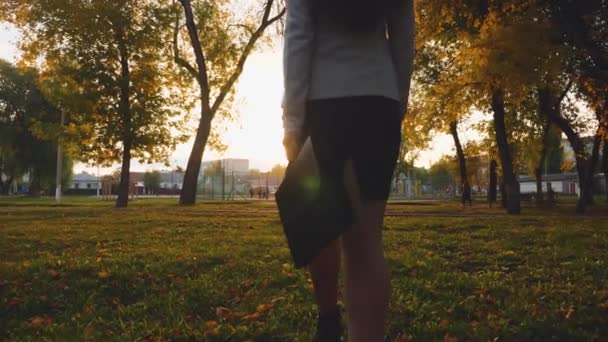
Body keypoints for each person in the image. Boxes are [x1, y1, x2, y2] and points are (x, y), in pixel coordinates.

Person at [282, 0, 415, 340]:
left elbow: (298, 36)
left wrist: (292, 122)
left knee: (319, 224)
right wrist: (397, 99)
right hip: (378, 101)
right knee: (366, 246)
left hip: (325, 106)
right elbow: (403, 31)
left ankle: (328, 318)